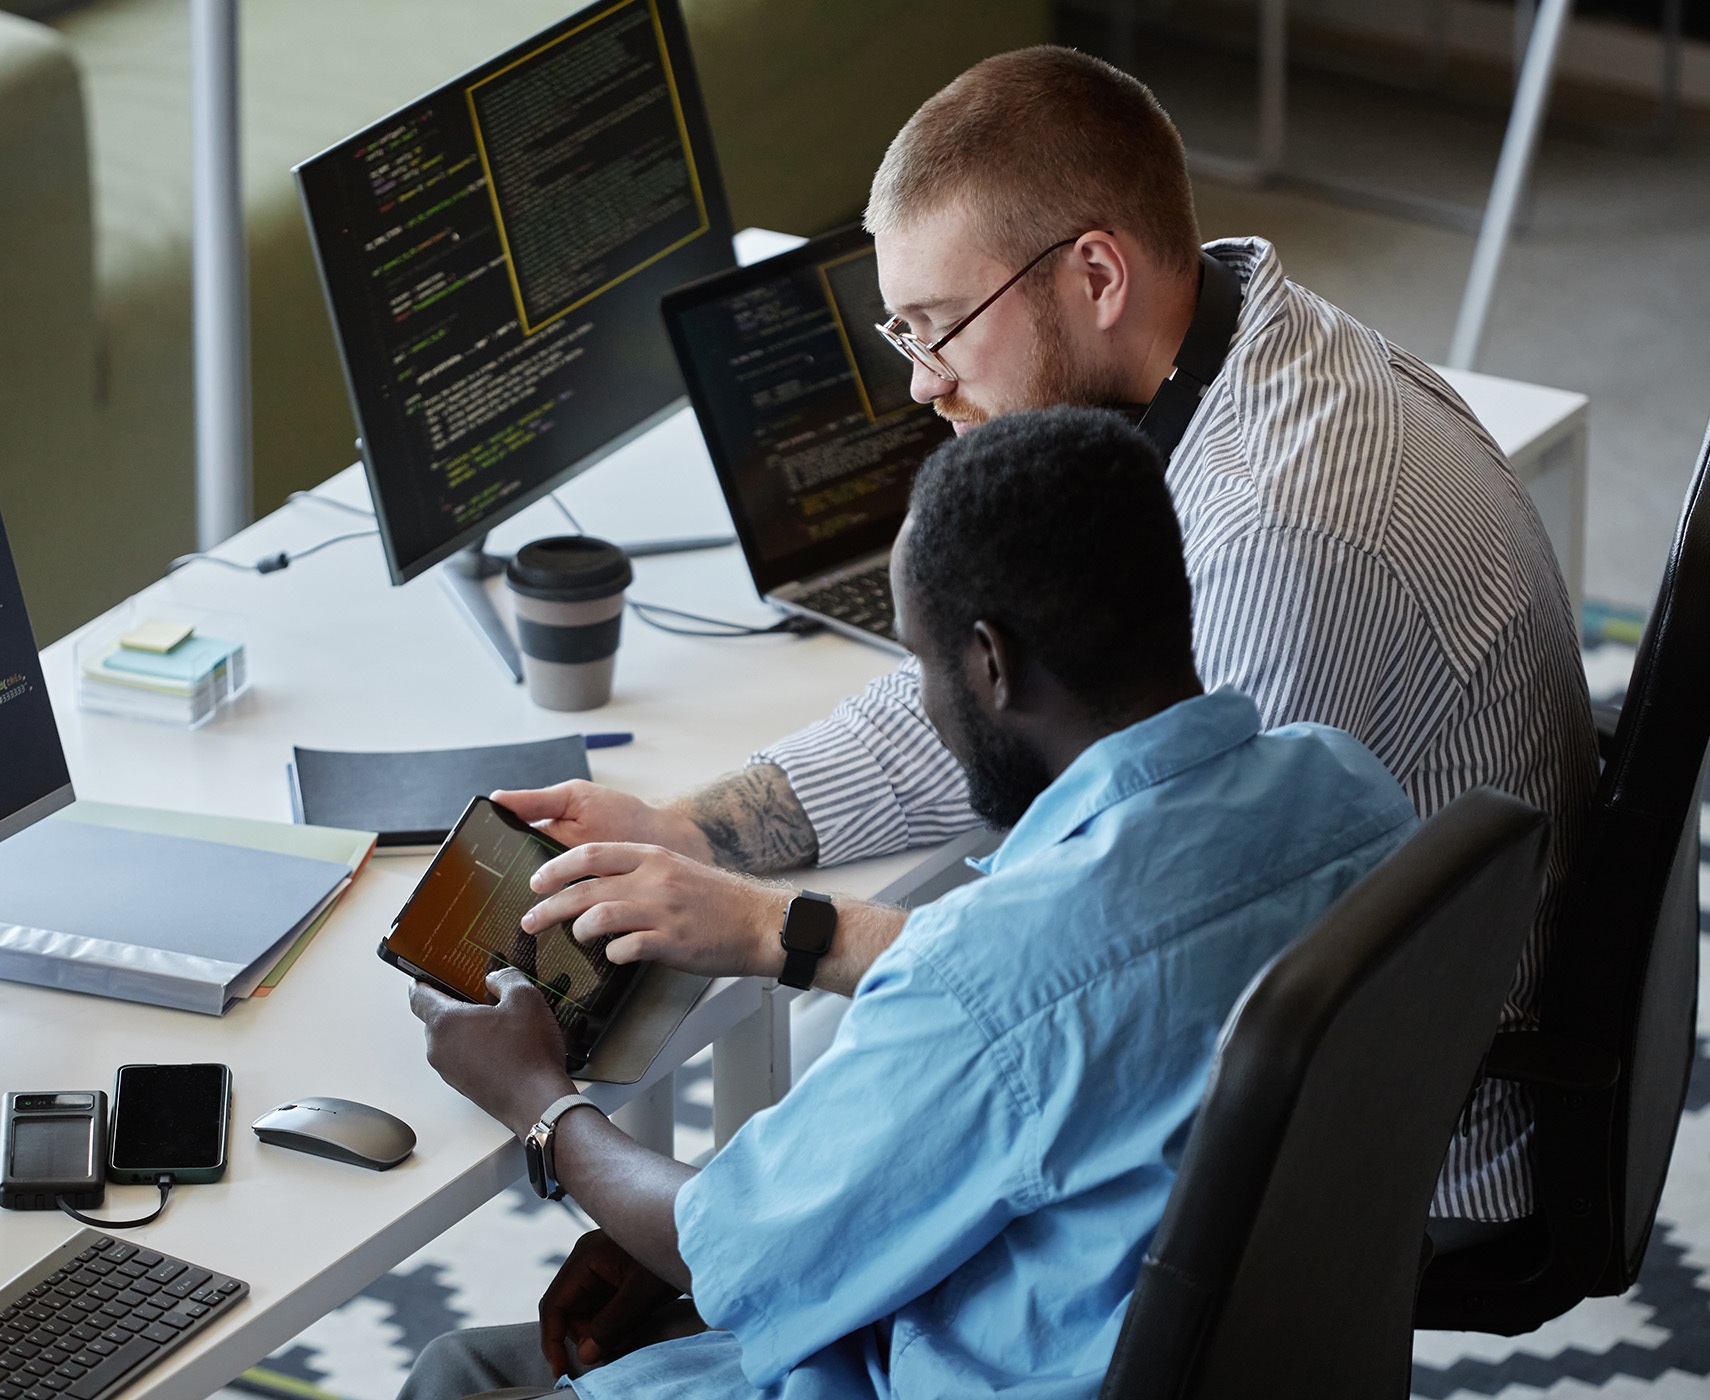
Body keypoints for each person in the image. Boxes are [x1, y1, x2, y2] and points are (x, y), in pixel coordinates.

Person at [495, 46, 1596, 1225]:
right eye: (900, 333)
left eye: (941, 326)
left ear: (1098, 275)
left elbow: (1105, 956)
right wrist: (691, 826)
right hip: (1346, 1024)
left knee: (829, 1207)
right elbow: (987, 701)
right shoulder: (1237, 350)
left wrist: (772, 927)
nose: (923, 385)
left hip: (1387, 1144)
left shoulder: (1278, 531)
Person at [404, 408, 1419, 1399]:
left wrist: (539, 1102)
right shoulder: (1354, 793)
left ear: (990, 660)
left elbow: (739, 1250)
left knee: (456, 1373)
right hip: (1223, 1347)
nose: (925, 698)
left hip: (978, 1358)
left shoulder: (987, 982)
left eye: (919, 659)